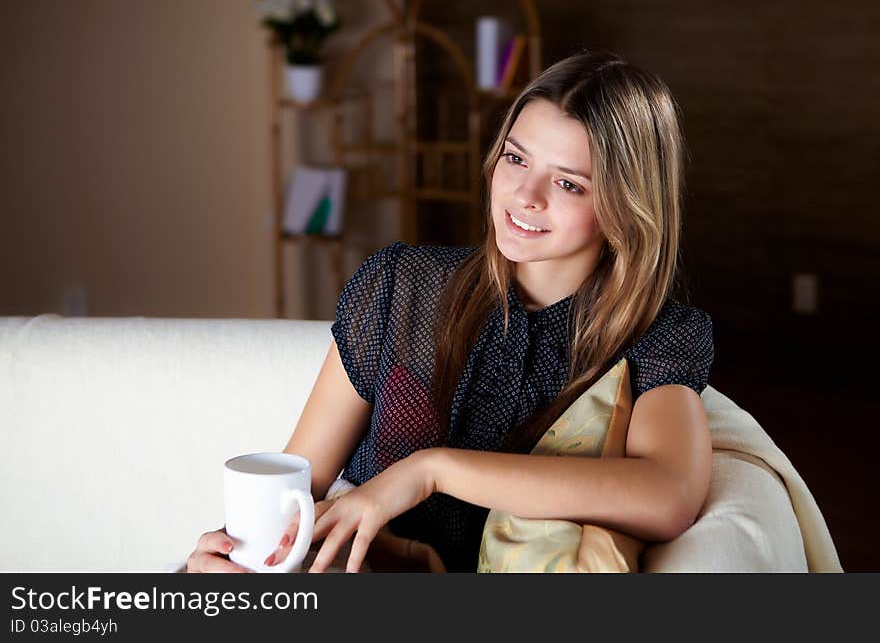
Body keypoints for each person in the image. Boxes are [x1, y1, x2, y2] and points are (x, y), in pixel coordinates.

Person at [187, 49, 714, 574]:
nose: (524, 194)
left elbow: (668, 496)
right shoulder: (400, 287)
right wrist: (236, 557)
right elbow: (296, 488)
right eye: (515, 158)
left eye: (568, 183)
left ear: (626, 205)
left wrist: (432, 470)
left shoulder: (655, 336)